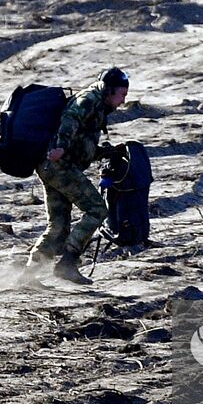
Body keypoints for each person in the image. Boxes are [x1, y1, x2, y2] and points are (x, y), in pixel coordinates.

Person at [28, 67, 130, 285]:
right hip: (59, 165)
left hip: (50, 165)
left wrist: (108, 151)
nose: (123, 101)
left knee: (58, 225)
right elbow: (70, 119)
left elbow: (83, 142)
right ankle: (68, 263)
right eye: (122, 95)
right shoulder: (90, 98)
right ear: (110, 90)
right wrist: (61, 148)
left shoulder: (99, 103)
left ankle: (29, 273)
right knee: (97, 209)